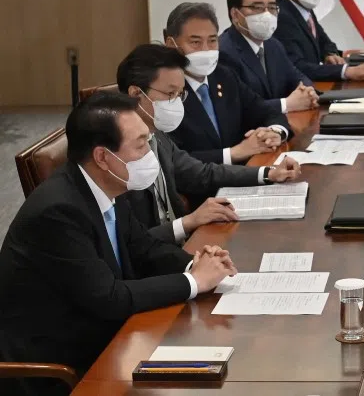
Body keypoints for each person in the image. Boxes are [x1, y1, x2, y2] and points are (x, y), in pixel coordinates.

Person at [0, 93, 238, 396]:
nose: (149, 154)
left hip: (111, 337)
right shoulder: (58, 212)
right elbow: (109, 297)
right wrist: (194, 281)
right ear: (103, 157)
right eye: (140, 145)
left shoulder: (107, 186)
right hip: (61, 368)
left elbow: (144, 248)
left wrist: (197, 263)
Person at [117, 43, 303, 232]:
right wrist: (190, 221)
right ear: (136, 93)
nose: (176, 102)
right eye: (169, 94)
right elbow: (131, 244)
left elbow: (203, 174)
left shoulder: (158, 136)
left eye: (179, 94)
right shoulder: (116, 153)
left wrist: (268, 173)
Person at [163, 2, 292, 164]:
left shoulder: (224, 75)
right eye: (195, 42)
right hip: (196, 187)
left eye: (212, 41)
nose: (206, 49)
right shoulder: (162, 91)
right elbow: (171, 160)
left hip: (242, 178)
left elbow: (267, 112)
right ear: (171, 45)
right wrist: (233, 153)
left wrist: (274, 132)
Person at [219, 0, 319, 114]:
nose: (267, 14)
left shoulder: (273, 45)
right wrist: (286, 104)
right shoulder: (224, 52)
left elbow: (297, 76)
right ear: (235, 14)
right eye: (257, 7)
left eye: (272, 8)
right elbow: (238, 107)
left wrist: (307, 91)